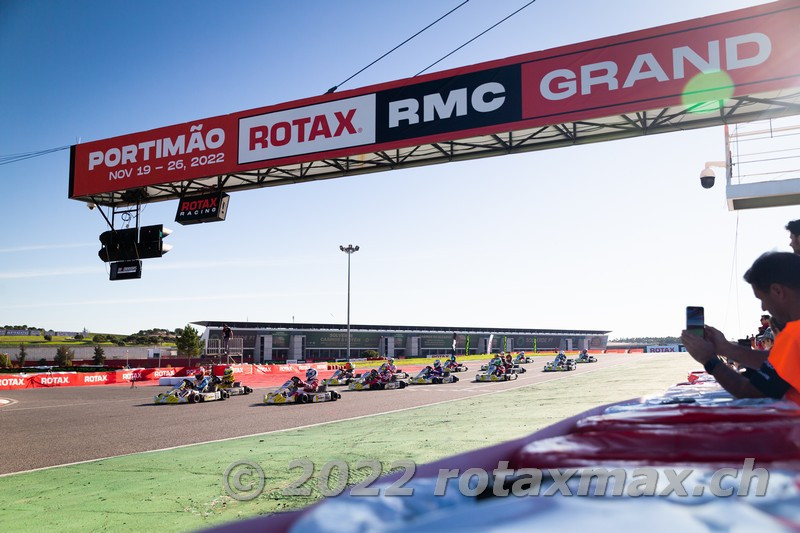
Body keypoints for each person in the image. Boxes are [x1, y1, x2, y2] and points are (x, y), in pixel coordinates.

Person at [681, 252, 800, 403]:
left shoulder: (794, 335)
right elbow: (779, 361)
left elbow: (752, 392)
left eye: (762, 299)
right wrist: (724, 348)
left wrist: (709, 360)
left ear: (778, 291)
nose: (763, 308)